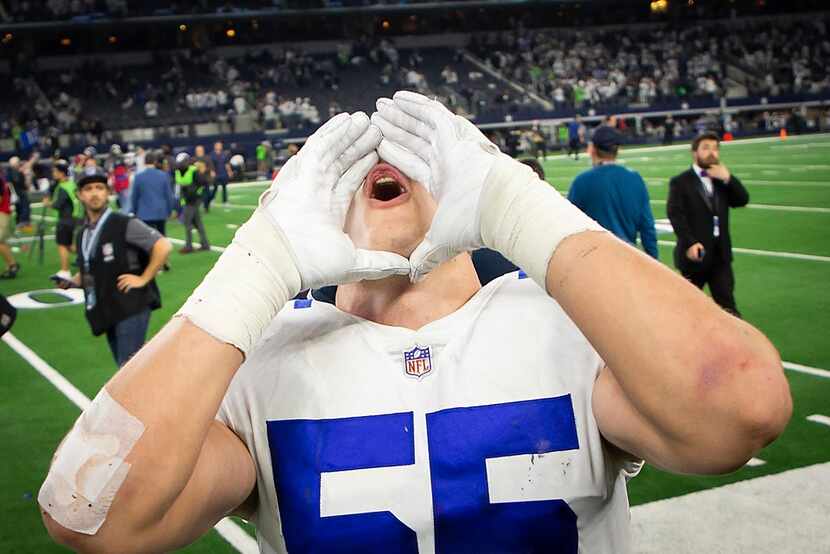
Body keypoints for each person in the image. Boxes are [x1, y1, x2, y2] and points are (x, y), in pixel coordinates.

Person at [40, 97, 791, 554]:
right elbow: (91, 517)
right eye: (352, 160)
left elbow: (743, 407)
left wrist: (517, 205)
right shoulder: (261, 365)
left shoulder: (567, 328)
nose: (381, 161)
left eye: (409, 146)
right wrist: (256, 263)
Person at [54, 167, 171, 367]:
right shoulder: (83, 232)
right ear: (80, 195)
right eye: (88, 188)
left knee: (127, 370)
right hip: (107, 307)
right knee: (127, 367)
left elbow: (163, 245)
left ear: (108, 192)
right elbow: (91, 267)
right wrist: (73, 282)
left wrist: (143, 278)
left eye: (100, 187)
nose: (94, 193)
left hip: (130, 305)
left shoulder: (123, 222)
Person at [667, 132, 750, 317]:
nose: (712, 153)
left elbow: (742, 200)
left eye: (715, 148)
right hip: (695, 256)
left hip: (720, 256)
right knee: (688, 309)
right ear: (694, 153)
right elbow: (675, 215)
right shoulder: (680, 182)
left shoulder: (721, 180)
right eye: (706, 148)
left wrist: (728, 178)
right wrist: (689, 243)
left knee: (728, 307)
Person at [567, 126, 658, 259]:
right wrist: (653, 261)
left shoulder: (582, 181)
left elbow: (569, 227)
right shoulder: (635, 178)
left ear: (592, 149)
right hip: (628, 259)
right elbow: (647, 227)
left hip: (594, 262)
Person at [44, 160, 83, 281]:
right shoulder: (71, 184)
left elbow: (58, 204)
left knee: (62, 245)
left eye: (55, 171)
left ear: (61, 173)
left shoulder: (62, 187)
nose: (53, 173)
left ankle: (65, 271)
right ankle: (90, 258)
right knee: (71, 246)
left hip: (65, 219)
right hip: (75, 217)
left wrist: (47, 203)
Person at [130, 150, 175, 236]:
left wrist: (134, 211)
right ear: (155, 162)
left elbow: (134, 197)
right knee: (162, 237)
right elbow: (169, 196)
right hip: (160, 212)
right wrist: (170, 210)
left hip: (144, 214)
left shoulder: (138, 177)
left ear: (144, 162)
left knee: (147, 239)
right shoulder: (163, 175)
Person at [175, 153, 210, 254]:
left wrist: (196, 193)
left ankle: (189, 246)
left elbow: (204, 183)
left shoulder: (194, 171)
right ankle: (205, 244)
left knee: (187, 222)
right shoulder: (178, 172)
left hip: (193, 200)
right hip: (186, 200)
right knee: (197, 223)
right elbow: (180, 186)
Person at [0, 174, 19, 278]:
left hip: (2, 213)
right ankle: (11, 264)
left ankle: (12, 265)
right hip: (3, 212)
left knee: (0, 241)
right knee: (1, 241)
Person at [7, 156, 31, 231]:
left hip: (16, 193)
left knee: (19, 209)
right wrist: (25, 174)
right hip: (20, 193)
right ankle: (23, 224)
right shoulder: (16, 172)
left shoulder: (9, 172)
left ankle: (19, 223)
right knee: (24, 208)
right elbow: (22, 184)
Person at [193, 145, 215, 212]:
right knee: (197, 195)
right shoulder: (193, 159)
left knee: (208, 194)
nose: (199, 152)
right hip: (197, 180)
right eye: (197, 150)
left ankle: (206, 206)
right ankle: (198, 207)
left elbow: (211, 167)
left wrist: (205, 169)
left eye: (200, 150)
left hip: (206, 179)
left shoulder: (207, 158)